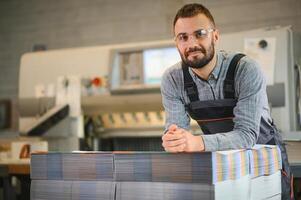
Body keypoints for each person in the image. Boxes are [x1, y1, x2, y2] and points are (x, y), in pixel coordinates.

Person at [160, 3, 293, 200]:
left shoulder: (245, 69)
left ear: (215, 36)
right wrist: (174, 141)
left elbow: (247, 135)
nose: (191, 43)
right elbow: (178, 131)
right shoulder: (172, 79)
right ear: (176, 42)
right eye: (183, 37)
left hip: (265, 166)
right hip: (223, 166)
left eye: (200, 33)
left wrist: (196, 142)